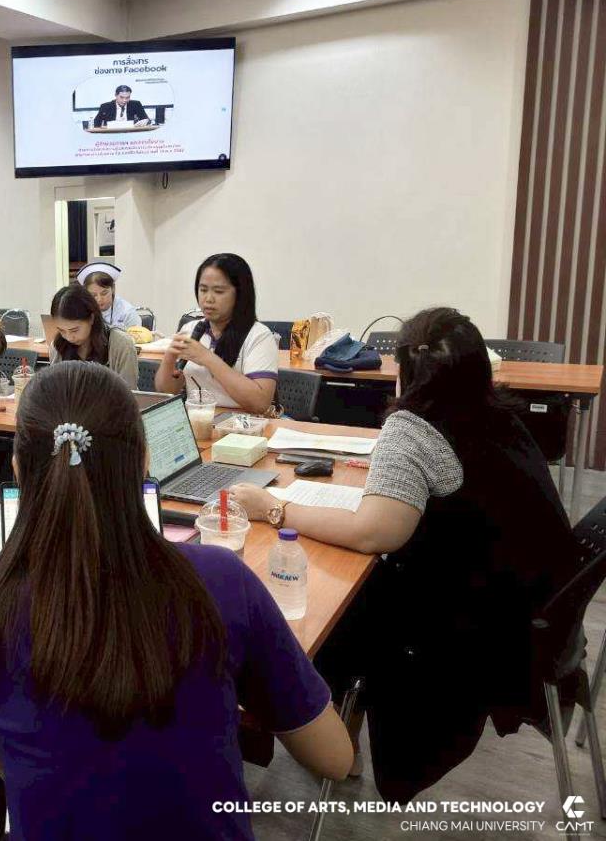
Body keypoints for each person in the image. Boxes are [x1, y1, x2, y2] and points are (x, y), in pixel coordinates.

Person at [0, 361, 352, 840]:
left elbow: (6, 764)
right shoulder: (221, 581)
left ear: (17, 468)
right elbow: (335, 758)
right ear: (145, 462)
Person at [231, 307, 579, 803]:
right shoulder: (500, 413)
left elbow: (374, 534)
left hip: (475, 636)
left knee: (323, 614)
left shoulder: (412, 429)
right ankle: (340, 737)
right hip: (537, 615)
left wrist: (275, 509)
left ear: (406, 372)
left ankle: (322, 740)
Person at [155, 253, 277, 413]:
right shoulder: (190, 330)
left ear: (240, 294)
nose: (208, 299)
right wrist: (169, 359)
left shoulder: (259, 335)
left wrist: (207, 358)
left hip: (244, 424)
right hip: (200, 420)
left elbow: (260, 403)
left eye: (218, 291)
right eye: (203, 290)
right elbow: (167, 392)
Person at [48, 283, 138, 389]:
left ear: (91, 318)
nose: (69, 337)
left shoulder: (121, 345)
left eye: (74, 330)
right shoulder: (58, 346)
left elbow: (128, 394)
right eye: (62, 331)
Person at [77, 262, 141, 330]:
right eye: (93, 295)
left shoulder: (128, 313)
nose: (99, 299)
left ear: (113, 289)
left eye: (104, 293)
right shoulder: (82, 310)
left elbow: (136, 335)